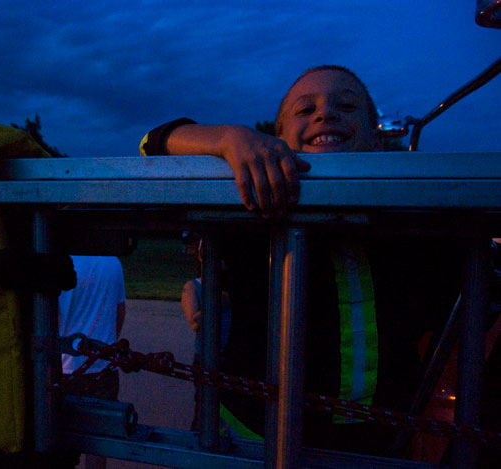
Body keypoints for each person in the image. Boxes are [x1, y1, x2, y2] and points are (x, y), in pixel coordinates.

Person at [140, 65, 468, 457]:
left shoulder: (410, 218)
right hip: (248, 440)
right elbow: (152, 143)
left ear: (377, 141)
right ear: (276, 138)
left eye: (346, 106)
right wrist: (230, 139)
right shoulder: (248, 198)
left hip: (379, 445)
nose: (324, 114)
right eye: (304, 109)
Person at [58, 255, 126, 469]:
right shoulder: (112, 262)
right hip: (102, 368)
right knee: (98, 442)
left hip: (63, 369)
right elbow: (119, 311)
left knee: (59, 440)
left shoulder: (59, 261)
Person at [181, 237, 231, 431]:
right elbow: (194, 322)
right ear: (201, 256)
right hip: (207, 358)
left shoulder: (234, 287)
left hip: (233, 357)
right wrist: (217, 298)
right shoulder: (193, 286)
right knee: (205, 408)